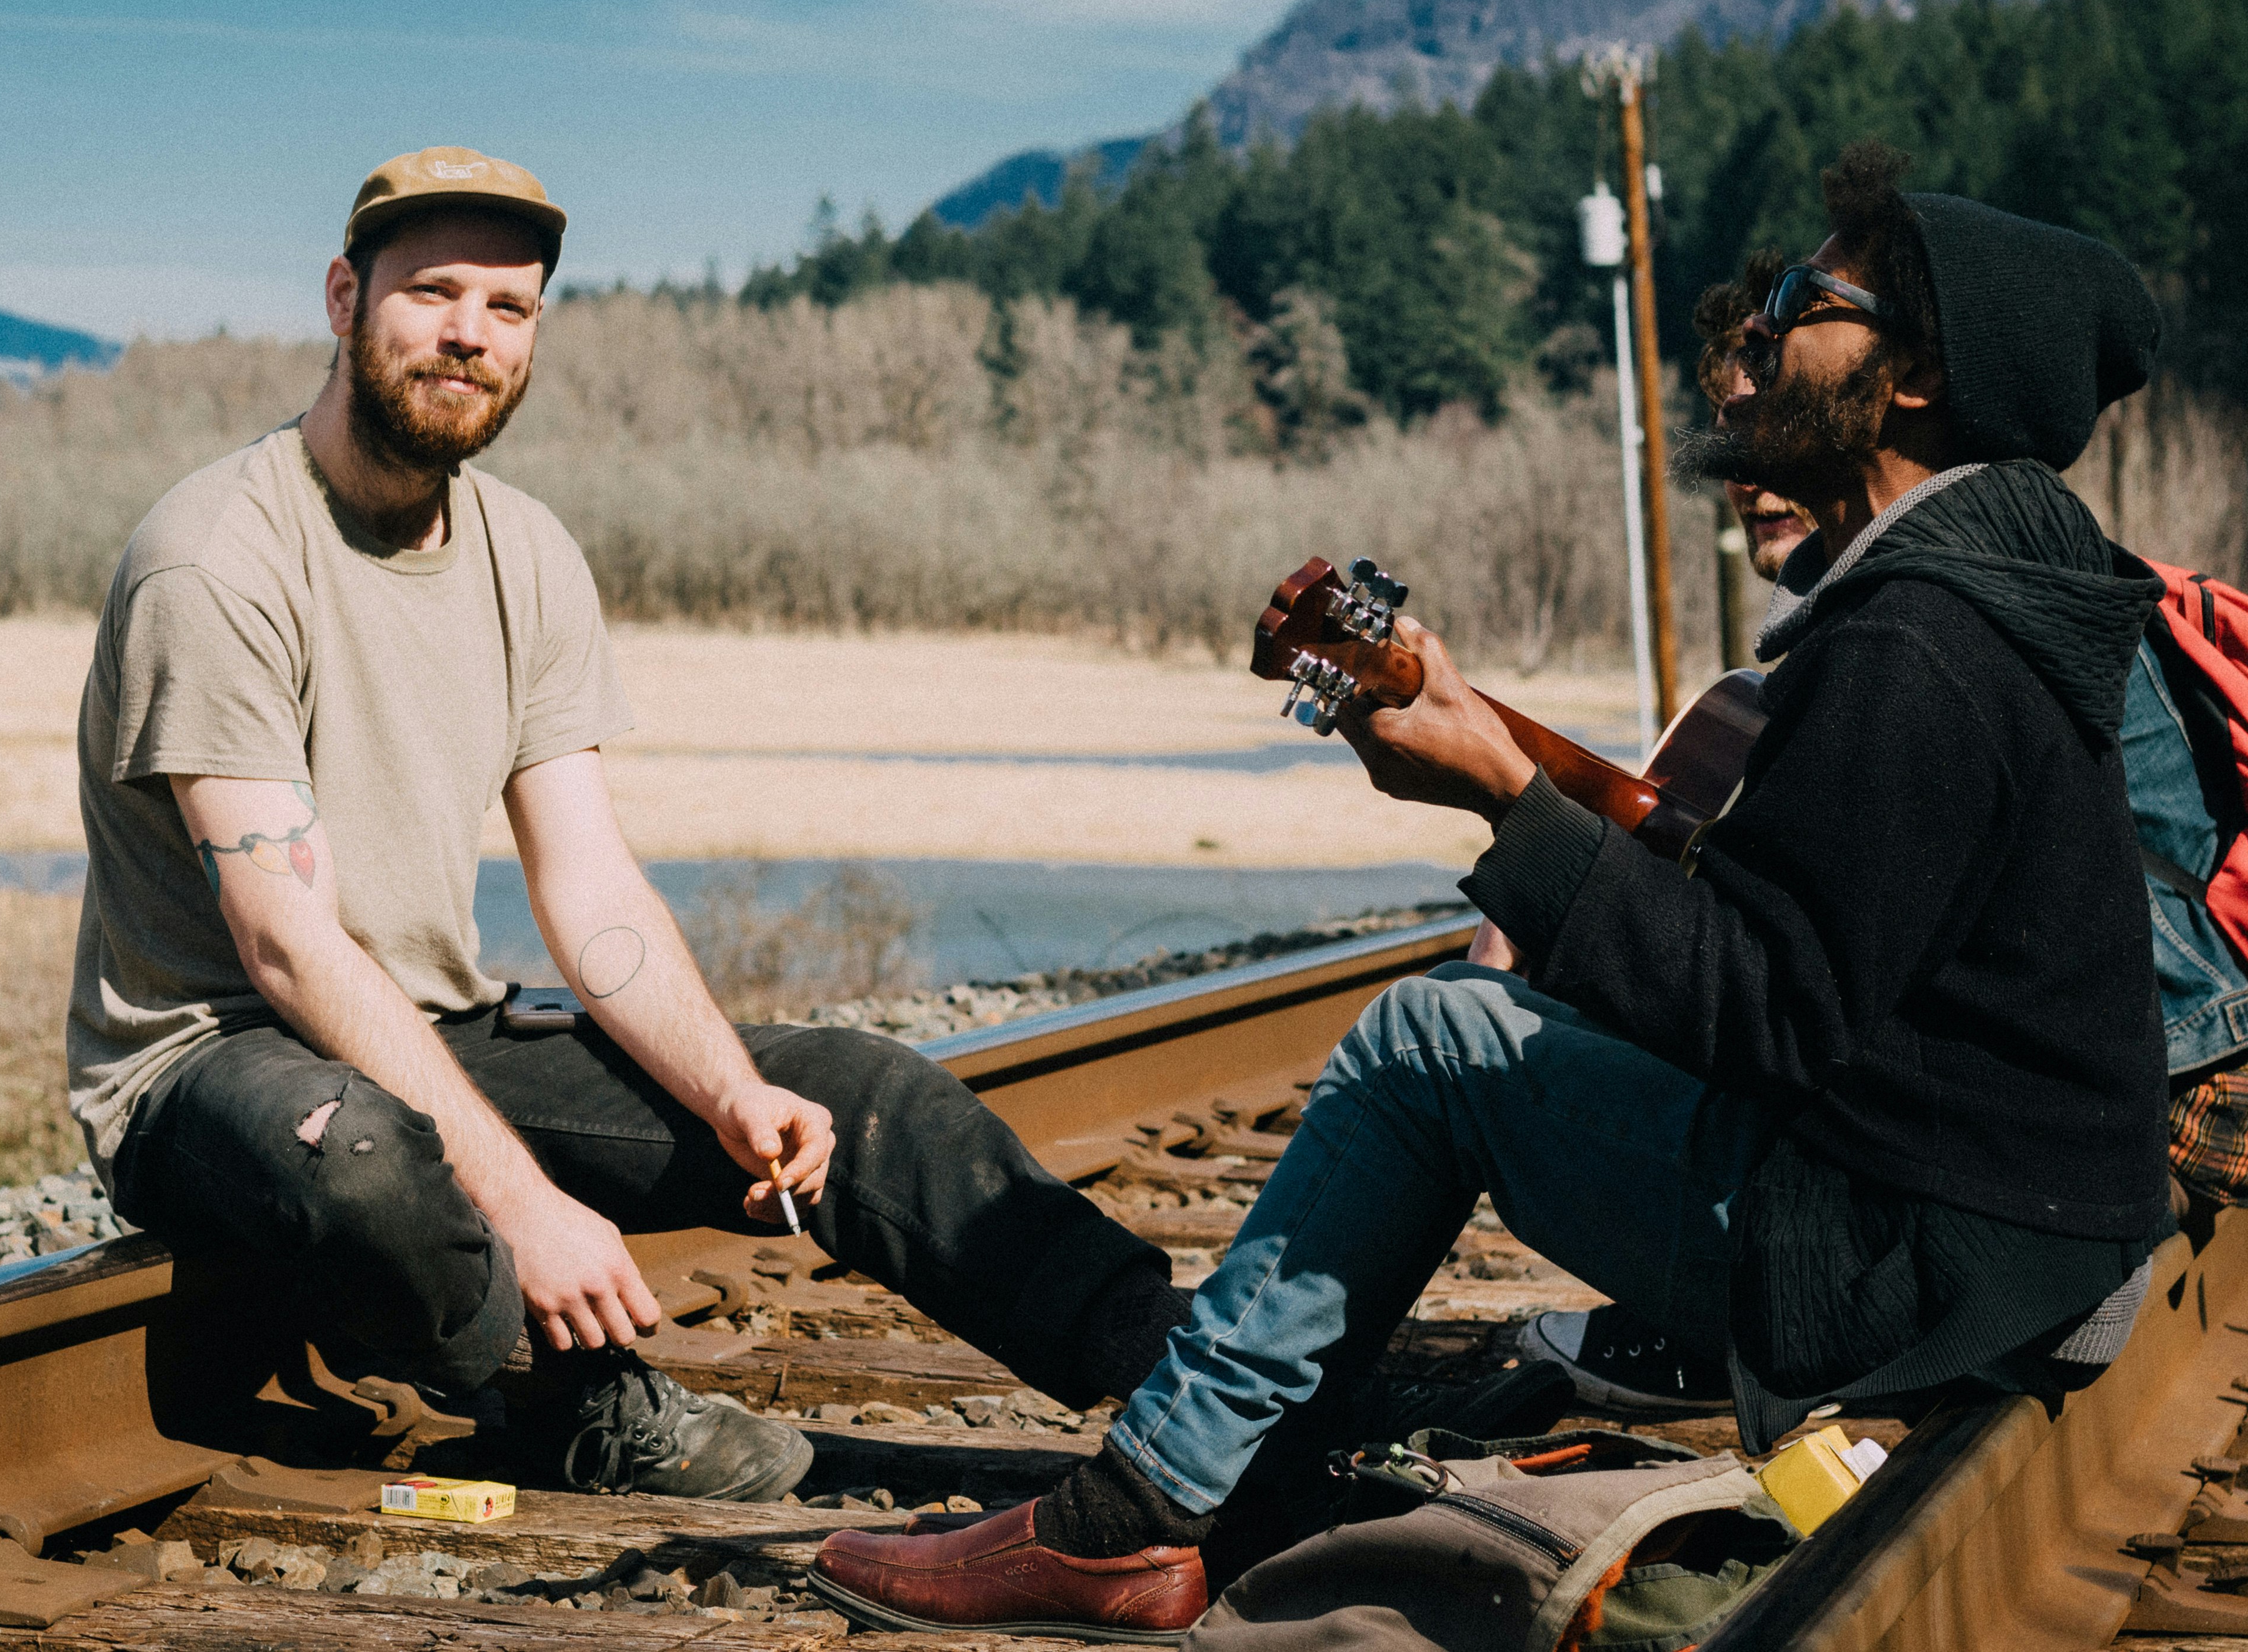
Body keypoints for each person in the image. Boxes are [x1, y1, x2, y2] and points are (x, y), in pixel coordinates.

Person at [806, 142, 2174, 1637]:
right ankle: (1230, 1485)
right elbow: (1814, 954)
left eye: (1803, 299)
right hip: (1995, 1233)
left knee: (1427, 1044)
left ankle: (1137, 1514)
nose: (1761, 332)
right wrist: (1518, 788)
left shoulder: (1918, 645)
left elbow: (1769, 1007)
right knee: (1470, 1019)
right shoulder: (1992, 607)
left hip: (1914, 1270)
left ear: (1912, 376)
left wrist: (1508, 794)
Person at [66, 146, 1188, 1503]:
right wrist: (524, 1208)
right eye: (432, 294)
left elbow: (587, 881)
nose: (468, 334)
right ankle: (576, 1409)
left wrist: (728, 1093)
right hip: (214, 1062)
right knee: (365, 1158)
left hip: (424, 1026)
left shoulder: (523, 551)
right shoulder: (217, 556)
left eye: (509, 307)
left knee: (854, 1089)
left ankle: (1188, 1372)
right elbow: (287, 947)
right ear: (344, 299)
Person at [1524, 295, 2248, 1416]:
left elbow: (1810, 996)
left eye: (1770, 424)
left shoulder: (1950, 623)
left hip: (2155, 1099)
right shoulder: (2004, 575)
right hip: (2105, 1105)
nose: (1748, 471)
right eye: (1738, 445)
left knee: (1491, 1034)